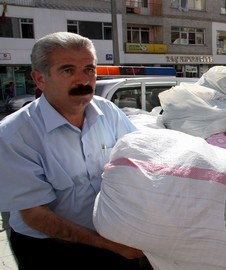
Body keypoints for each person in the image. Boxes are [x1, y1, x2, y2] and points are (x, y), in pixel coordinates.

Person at [0, 32, 144, 270]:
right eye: (68, 70)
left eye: (89, 69)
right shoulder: (15, 135)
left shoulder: (108, 112)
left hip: (114, 240)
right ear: (39, 79)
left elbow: (138, 159)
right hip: (52, 250)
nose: (83, 80)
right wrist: (111, 245)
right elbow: (36, 215)